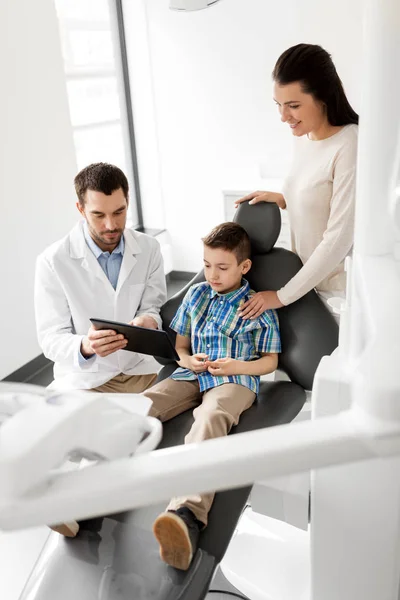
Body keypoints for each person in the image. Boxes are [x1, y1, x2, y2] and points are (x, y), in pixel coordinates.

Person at [34, 162, 167, 536]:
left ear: (128, 202)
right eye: (99, 215)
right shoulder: (53, 261)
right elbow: (50, 337)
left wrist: (148, 322)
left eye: (119, 212)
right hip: (85, 376)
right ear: (81, 209)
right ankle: (66, 499)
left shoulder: (149, 249)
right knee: (53, 433)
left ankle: (74, 501)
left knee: (128, 431)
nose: (111, 225)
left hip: (139, 369)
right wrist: (85, 346)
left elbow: (153, 305)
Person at [143, 222, 281, 571]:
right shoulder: (197, 294)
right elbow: (181, 346)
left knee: (210, 418)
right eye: (207, 265)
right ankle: (84, 493)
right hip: (193, 373)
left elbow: (269, 362)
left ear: (243, 267)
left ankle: (186, 515)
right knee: (141, 406)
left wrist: (238, 365)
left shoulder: (257, 306)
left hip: (235, 379)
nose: (212, 274)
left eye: (222, 267)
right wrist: (189, 360)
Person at [235, 43, 359, 322]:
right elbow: (320, 196)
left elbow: (338, 238)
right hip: (305, 286)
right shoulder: (305, 138)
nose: (283, 116)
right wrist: (284, 199)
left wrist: (280, 296)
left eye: (293, 106)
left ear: (323, 96)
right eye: (278, 105)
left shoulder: (349, 143)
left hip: (338, 297)